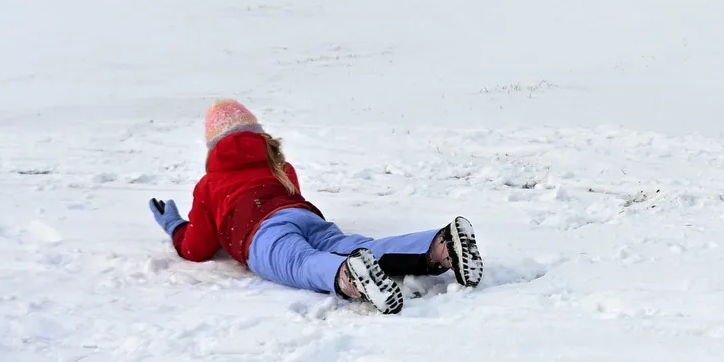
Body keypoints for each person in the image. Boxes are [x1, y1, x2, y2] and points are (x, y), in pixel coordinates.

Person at [148, 99, 484, 314]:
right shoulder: (280, 166)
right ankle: (439, 245)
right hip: (303, 216)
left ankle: (348, 276)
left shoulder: (210, 184)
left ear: (213, 146)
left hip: (260, 232)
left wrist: (175, 226)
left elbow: (197, 248)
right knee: (358, 245)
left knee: (299, 260)